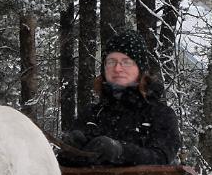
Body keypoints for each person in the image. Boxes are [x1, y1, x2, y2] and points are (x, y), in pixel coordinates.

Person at [59, 30, 181, 167]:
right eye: (111, 62)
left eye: (126, 62)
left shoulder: (161, 115)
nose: (117, 68)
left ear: (140, 68)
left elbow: (161, 158)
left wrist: (120, 151)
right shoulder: (91, 115)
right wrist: (70, 151)